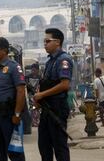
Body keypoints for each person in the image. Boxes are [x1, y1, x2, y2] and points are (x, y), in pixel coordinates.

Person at [34, 28, 73, 161]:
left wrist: (42, 94)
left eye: (47, 41)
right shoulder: (50, 61)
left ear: (57, 42)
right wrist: (39, 97)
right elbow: (46, 83)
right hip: (47, 108)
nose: (45, 44)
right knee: (44, 146)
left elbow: (64, 85)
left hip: (57, 108)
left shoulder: (63, 60)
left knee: (59, 147)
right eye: (44, 41)